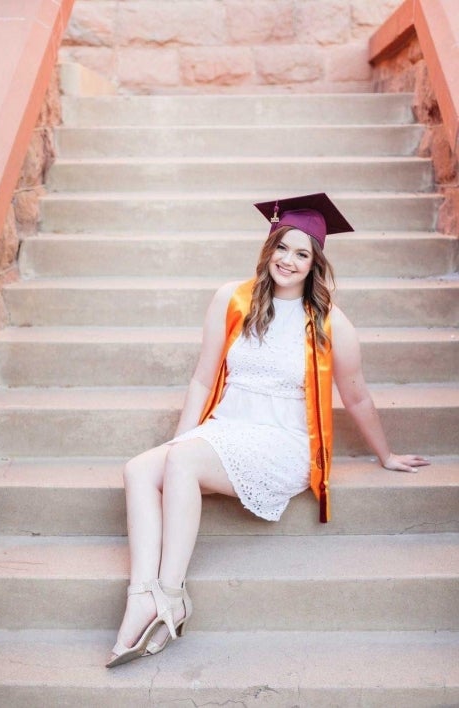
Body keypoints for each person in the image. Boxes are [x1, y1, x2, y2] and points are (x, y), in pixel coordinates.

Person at [106, 193, 430, 668]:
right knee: (138, 469)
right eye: (284, 248)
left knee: (183, 461)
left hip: (283, 444)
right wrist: (180, 439)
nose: (290, 260)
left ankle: (171, 594)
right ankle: (142, 595)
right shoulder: (232, 299)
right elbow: (202, 377)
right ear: (269, 246)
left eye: (303, 254)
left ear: (316, 263)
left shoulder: (329, 322)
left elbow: (356, 395)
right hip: (227, 428)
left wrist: (385, 455)